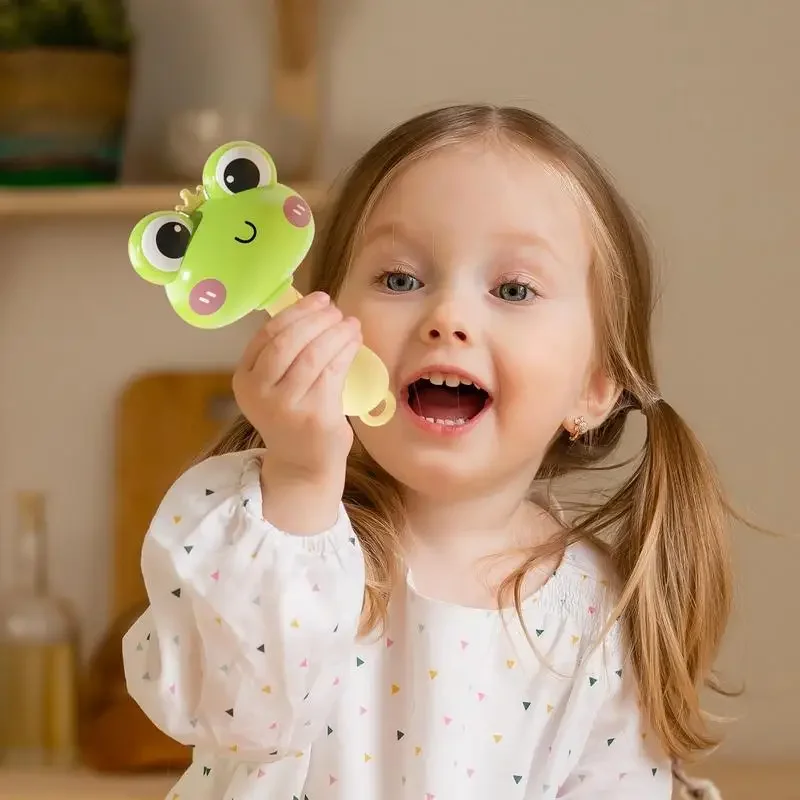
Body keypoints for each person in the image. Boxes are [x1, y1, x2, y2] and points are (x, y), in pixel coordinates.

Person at [122, 104, 731, 799]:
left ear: (593, 389)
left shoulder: (597, 617)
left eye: (512, 289)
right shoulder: (260, 532)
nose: (448, 319)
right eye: (401, 280)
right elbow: (235, 721)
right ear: (322, 315)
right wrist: (298, 479)